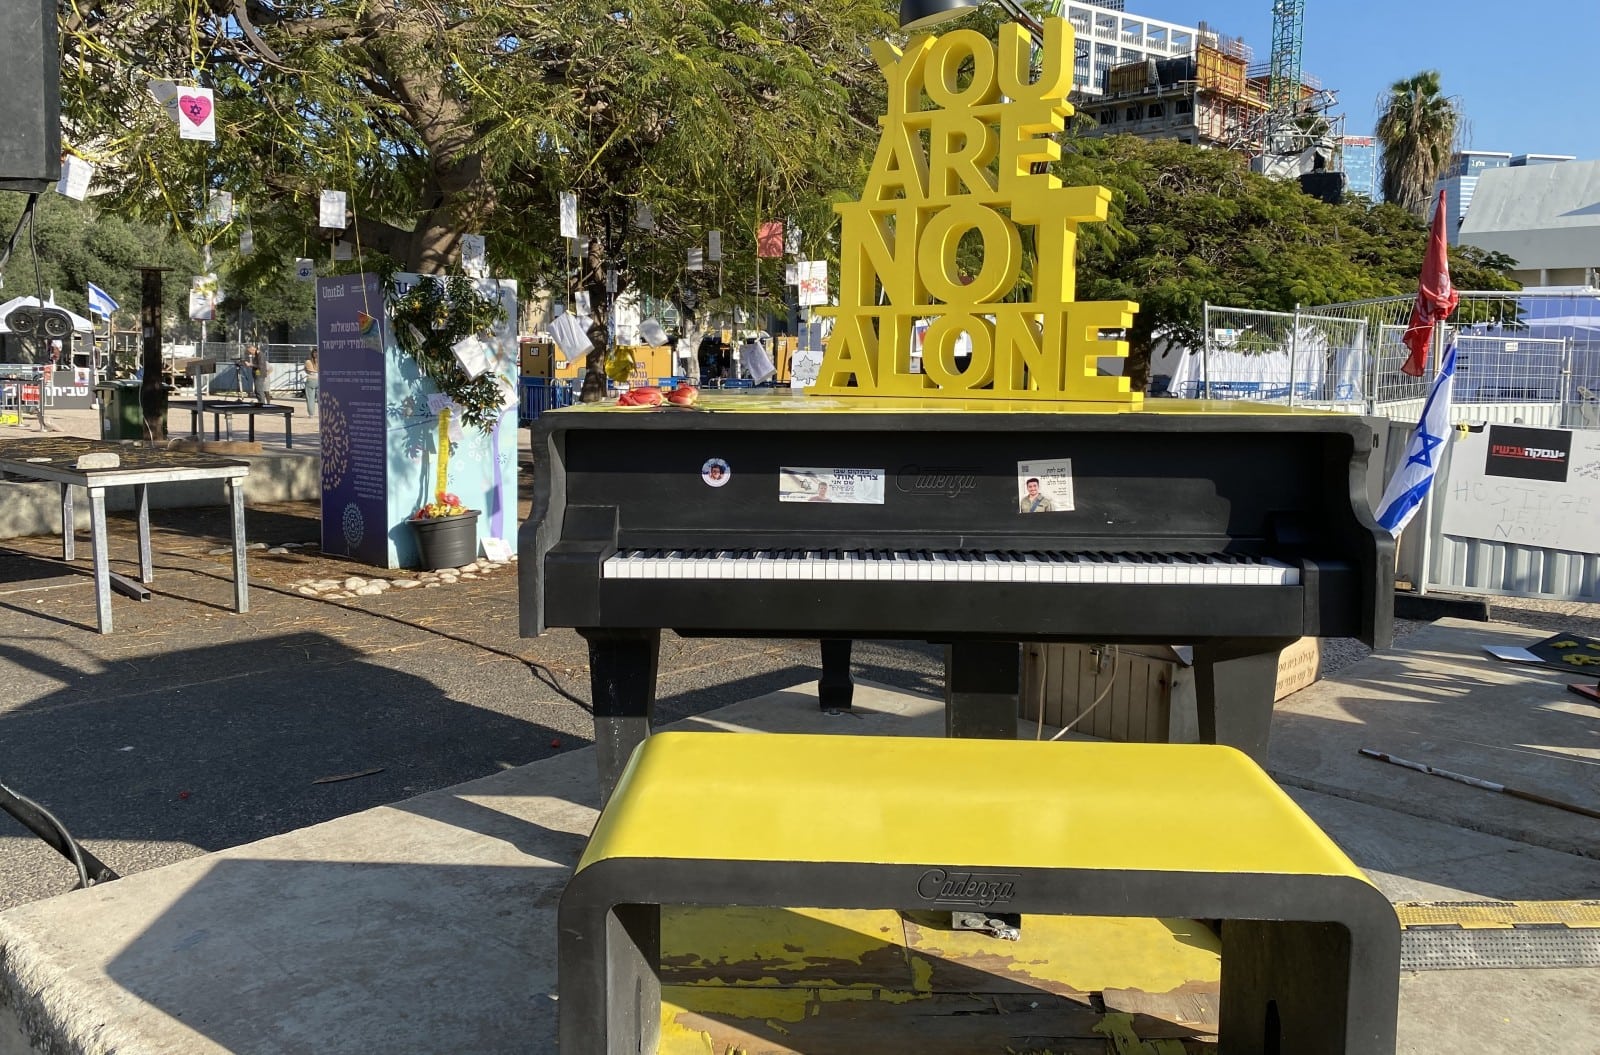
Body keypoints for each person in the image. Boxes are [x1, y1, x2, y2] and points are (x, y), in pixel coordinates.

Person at [303, 348, 319, 418]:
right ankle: (322, 413)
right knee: (320, 398)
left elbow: (308, 371)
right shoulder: (321, 361)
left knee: (310, 399)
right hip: (319, 380)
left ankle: (311, 414)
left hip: (311, 379)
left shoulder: (308, 362)